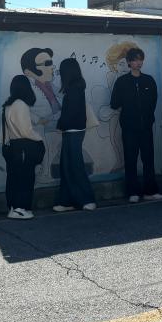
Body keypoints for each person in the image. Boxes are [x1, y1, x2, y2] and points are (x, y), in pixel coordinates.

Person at [110, 47, 162, 203]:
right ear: (128, 62)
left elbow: (153, 101)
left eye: (140, 59)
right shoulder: (122, 81)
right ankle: (132, 192)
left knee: (148, 159)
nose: (138, 63)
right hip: (129, 127)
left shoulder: (148, 80)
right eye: (134, 60)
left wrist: (148, 118)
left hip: (146, 127)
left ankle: (150, 191)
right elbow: (114, 103)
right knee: (130, 159)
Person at [53, 58, 97, 212]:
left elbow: (69, 113)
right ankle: (66, 201)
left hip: (73, 131)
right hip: (73, 131)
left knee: (75, 166)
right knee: (67, 166)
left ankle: (87, 199)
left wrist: (60, 125)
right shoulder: (76, 87)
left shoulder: (74, 89)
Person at [2, 74, 46, 220]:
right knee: (25, 178)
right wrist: (39, 139)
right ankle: (20, 208)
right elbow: (26, 130)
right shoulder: (21, 104)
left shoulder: (8, 104)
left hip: (11, 146)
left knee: (13, 178)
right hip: (23, 147)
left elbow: (4, 131)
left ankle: (13, 208)